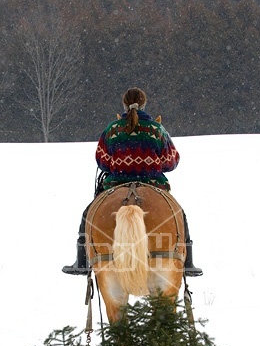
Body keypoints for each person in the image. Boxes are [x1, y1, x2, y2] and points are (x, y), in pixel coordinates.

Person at [62, 87, 202, 277]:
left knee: (88, 214)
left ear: (124, 104)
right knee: (179, 215)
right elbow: (172, 161)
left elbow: (102, 161)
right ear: (144, 103)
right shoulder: (156, 130)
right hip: (154, 184)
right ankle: (188, 262)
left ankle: (82, 260)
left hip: (116, 184)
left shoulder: (112, 130)